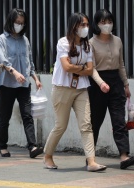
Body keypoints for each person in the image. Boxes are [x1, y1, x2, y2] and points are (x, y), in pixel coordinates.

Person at [43, 13, 107, 172]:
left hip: (81, 89)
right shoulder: (63, 43)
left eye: (86, 25)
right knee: (61, 126)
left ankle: (91, 162)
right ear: (74, 26)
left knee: (86, 125)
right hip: (62, 88)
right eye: (82, 25)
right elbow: (66, 67)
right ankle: (47, 156)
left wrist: (79, 69)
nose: (85, 28)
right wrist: (82, 69)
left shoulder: (88, 46)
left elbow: (91, 69)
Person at [88, 9, 134, 169]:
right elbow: (92, 68)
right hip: (97, 85)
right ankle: (90, 158)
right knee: (95, 122)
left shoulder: (117, 41)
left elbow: (121, 65)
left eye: (109, 21)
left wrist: (126, 85)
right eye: (102, 22)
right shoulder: (91, 43)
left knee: (119, 121)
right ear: (96, 24)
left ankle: (124, 155)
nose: (106, 25)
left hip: (116, 83)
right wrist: (101, 83)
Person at [0, 8, 44, 158]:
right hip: (7, 84)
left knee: (27, 115)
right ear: (11, 21)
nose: (19, 25)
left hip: (24, 85)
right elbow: (3, 61)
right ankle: (3, 146)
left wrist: (36, 79)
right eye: (17, 22)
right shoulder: (2, 39)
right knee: (5, 117)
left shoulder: (25, 40)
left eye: (22, 23)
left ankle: (32, 147)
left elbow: (29, 62)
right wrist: (15, 73)